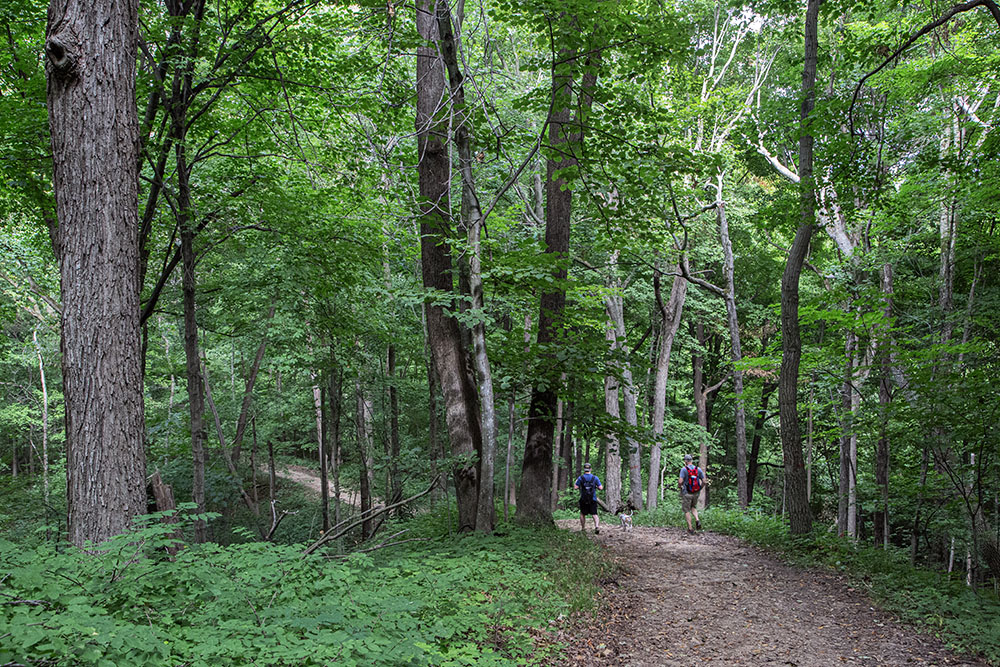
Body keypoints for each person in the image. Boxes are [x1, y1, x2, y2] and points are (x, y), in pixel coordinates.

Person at [679, 454, 705, 534]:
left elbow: (680, 481)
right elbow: (704, 481)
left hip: (687, 492)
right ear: (692, 461)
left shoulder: (684, 469)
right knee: (693, 507)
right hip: (696, 492)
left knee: (686, 510)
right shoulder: (698, 469)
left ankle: (690, 528)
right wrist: (700, 488)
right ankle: (697, 519)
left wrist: (680, 486)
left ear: (685, 461)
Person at [574, 463, 603, 534]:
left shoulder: (581, 478)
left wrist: (576, 482)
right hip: (593, 499)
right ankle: (596, 526)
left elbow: (575, 487)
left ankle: (583, 528)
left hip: (583, 499)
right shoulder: (595, 478)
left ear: (584, 469)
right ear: (590, 469)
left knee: (582, 514)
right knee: (594, 514)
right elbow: (600, 488)